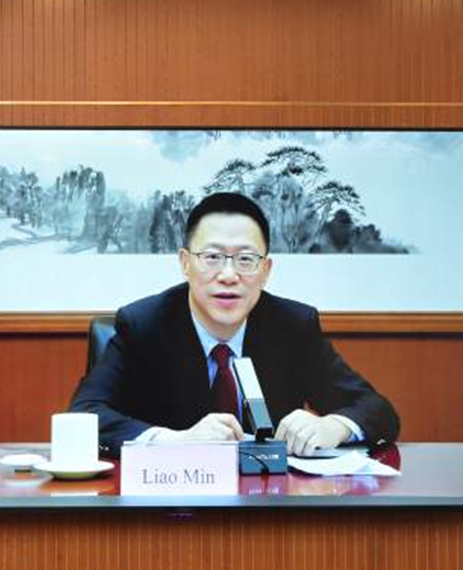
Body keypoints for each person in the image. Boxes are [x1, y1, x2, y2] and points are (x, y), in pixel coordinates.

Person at [70, 192, 400, 458]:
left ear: (266, 269)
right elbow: (84, 415)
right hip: (167, 512)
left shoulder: (292, 327)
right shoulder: (143, 325)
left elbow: (378, 409)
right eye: (212, 257)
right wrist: (172, 440)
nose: (229, 276)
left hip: (271, 513)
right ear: (185, 263)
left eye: (245, 259)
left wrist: (334, 427)